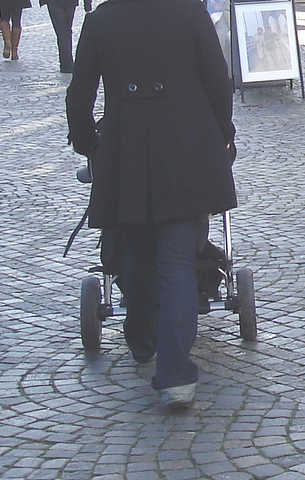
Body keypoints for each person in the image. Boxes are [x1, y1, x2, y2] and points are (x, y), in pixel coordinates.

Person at [66, 0, 237, 407]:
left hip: (126, 151)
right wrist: (221, 133)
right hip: (184, 149)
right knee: (177, 261)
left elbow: (79, 94)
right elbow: (218, 81)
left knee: (137, 256)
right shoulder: (188, 11)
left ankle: (142, 339)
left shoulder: (101, 19)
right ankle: (177, 374)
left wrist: (88, 143)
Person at [39, 0, 91, 73]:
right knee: (66, 31)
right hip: (69, 2)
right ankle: (67, 63)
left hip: (54, 3)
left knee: (62, 33)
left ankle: (67, 64)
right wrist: (87, 5)